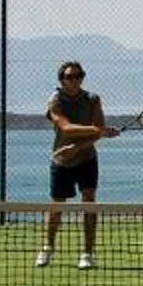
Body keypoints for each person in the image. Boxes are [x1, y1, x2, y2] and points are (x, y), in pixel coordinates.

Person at [38, 61, 117, 269]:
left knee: (89, 202)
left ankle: (87, 253)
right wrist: (98, 130)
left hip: (87, 158)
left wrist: (84, 143)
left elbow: (97, 130)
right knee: (57, 206)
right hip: (61, 159)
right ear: (62, 80)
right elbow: (65, 128)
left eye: (78, 76)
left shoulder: (93, 99)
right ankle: (48, 248)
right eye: (69, 77)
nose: (74, 80)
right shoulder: (55, 100)